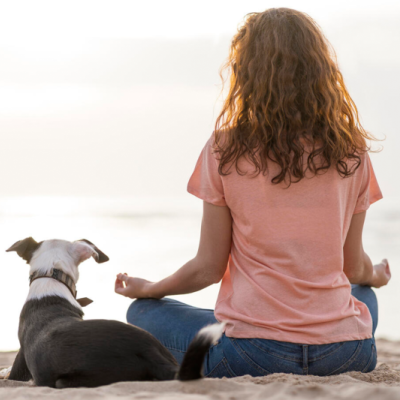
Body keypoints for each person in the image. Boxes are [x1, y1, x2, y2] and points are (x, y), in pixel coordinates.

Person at [114, 8, 391, 377]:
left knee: (142, 311)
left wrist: (151, 287)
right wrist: (376, 275)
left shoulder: (225, 148)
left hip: (254, 355)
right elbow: (352, 266)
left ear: (246, 72)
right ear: (320, 71)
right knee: (365, 294)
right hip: (347, 354)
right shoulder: (350, 150)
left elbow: (208, 268)